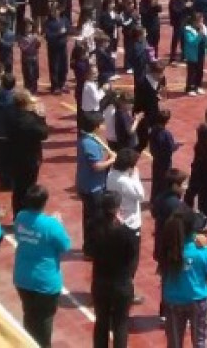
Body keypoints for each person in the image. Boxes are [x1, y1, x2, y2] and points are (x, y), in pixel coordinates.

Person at [13, 185, 71, 346]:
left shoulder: (20, 217)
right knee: (44, 322)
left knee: (29, 316)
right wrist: (57, 223)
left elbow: (19, 236)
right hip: (45, 282)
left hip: (22, 278)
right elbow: (65, 246)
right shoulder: (51, 225)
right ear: (44, 202)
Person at [158, 208, 207, 348]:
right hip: (197, 299)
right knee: (200, 342)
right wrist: (206, 248)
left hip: (172, 301)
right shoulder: (201, 252)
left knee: (174, 343)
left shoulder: (168, 250)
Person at [92, 192, 139, 348]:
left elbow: (88, 249)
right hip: (121, 283)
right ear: (116, 209)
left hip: (100, 281)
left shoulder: (94, 227)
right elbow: (132, 254)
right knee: (120, 323)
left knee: (101, 322)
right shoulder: (125, 233)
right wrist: (124, 225)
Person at [77, 112, 116, 258]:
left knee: (90, 218)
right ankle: (91, 249)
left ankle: (90, 247)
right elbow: (97, 166)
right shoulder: (90, 143)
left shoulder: (90, 139)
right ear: (96, 126)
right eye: (102, 123)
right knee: (94, 219)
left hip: (88, 184)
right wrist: (112, 160)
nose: (104, 126)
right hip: (92, 187)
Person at [7, 89, 49, 218]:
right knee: (28, 188)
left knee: (17, 189)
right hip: (29, 159)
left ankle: (17, 215)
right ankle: (27, 216)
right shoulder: (29, 120)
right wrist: (41, 117)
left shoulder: (10, 114)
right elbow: (43, 134)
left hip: (13, 156)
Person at [182, 13, 207, 96]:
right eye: (199, 21)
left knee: (200, 70)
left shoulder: (203, 28)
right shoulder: (188, 30)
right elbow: (192, 42)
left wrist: (206, 36)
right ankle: (190, 88)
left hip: (201, 52)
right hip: (192, 54)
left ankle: (198, 86)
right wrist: (200, 35)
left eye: (202, 21)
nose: (201, 23)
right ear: (194, 22)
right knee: (192, 72)